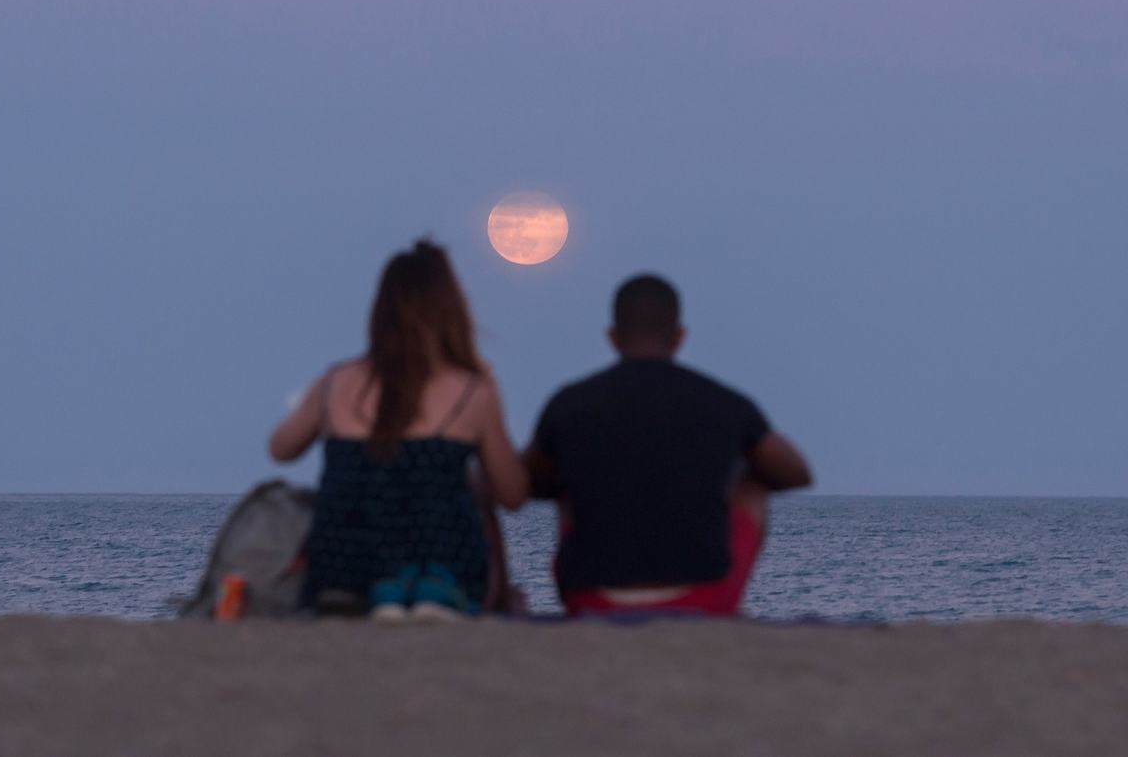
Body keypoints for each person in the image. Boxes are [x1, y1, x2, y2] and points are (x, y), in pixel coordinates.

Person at [269, 240, 529, 621]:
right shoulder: (472, 390)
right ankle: (429, 590)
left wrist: (320, 409)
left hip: (341, 564)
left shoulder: (336, 381)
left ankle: (378, 589)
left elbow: (281, 448)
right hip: (441, 557)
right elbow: (512, 493)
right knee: (469, 487)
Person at [524, 274, 812, 617]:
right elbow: (796, 472)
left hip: (590, 596)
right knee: (753, 487)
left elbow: (524, 479)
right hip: (703, 596)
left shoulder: (570, 403)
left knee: (568, 488)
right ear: (679, 337)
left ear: (613, 337)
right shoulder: (723, 403)